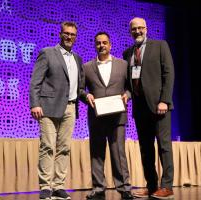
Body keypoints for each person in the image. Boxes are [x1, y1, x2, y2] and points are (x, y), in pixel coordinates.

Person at [123, 17, 175, 199]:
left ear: (146, 28)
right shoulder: (127, 53)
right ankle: (151, 185)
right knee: (146, 149)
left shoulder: (160, 45)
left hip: (159, 106)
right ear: (130, 31)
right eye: (134, 29)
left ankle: (167, 186)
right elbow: (129, 83)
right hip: (140, 108)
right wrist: (126, 95)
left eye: (140, 28)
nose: (137, 31)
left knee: (164, 147)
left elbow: (169, 74)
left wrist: (165, 101)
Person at [29, 21, 82, 200]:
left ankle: (58, 185)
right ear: (60, 34)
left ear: (76, 37)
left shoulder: (77, 58)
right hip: (48, 108)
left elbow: (77, 86)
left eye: (72, 34)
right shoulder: (48, 53)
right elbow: (35, 81)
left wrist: (86, 96)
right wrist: (34, 104)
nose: (69, 37)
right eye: (66, 33)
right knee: (48, 147)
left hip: (70, 108)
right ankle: (45, 186)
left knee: (64, 148)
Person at [80, 32, 133, 200]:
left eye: (105, 42)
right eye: (98, 43)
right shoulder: (86, 67)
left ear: (110, 45)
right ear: (95, 45)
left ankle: (124, 188)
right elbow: (80, 89)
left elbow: (131, 87)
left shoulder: (123, 65)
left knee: (118, 152)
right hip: (96, 116)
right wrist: (85, 96)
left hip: (117, 116)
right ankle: (98, 187)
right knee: (96, 152)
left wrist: (128, 95)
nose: (101, 45)